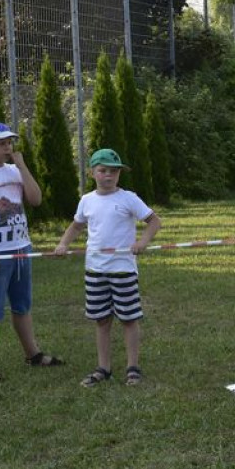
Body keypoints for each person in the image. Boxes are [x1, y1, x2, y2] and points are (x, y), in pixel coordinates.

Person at [0, 122, 62, 382]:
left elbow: (36, 199)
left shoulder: (15, 171)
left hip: (21, 249)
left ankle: (33, 354)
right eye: (1, 143)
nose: (7, 147)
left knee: (22, 305)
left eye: (9, 142)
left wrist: (22, 166)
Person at [54, 149, 161, 387]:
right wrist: (63, 244)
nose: (109, 175)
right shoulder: (87, 200)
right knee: (101, 319)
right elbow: (76, 226)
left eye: (114, 171)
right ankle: (103, 368)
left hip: (122, 269)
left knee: (129, 318)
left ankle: (133, 368)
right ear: (92, 172)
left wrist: (142, 242)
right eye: (103, 171)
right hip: (95, 270)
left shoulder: (128, 198)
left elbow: (154, 221)